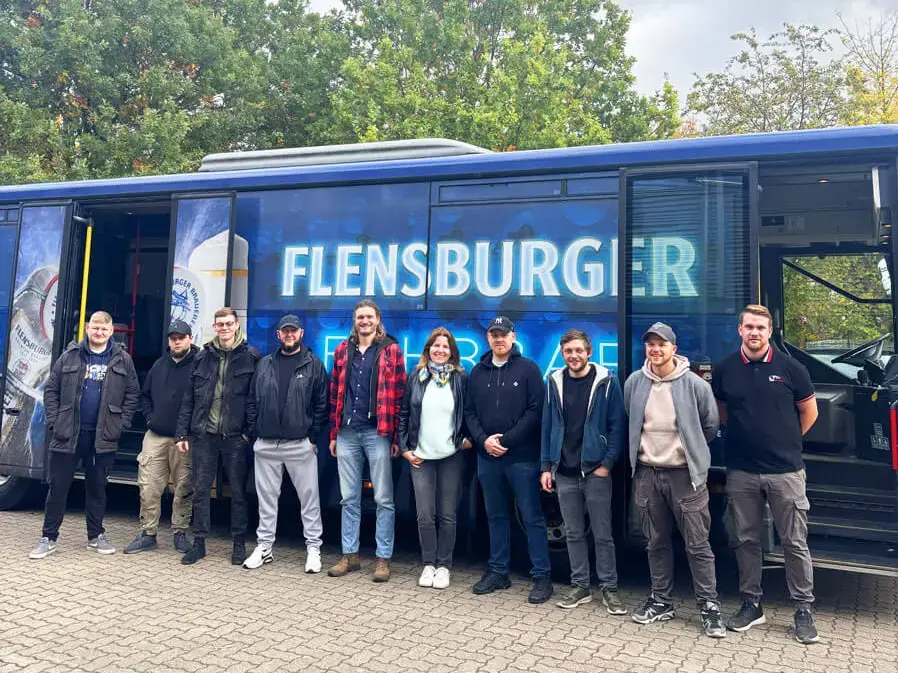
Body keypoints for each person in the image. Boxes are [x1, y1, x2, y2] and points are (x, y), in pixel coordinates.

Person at [712, 304, 820, 644]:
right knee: (745, 539)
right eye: (749, 327)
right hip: (742, 471)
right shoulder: (726, 369)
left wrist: (786, 441)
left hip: (786, 471)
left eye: (761, 327)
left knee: (794, 542)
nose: (754, 332)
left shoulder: (791, 368)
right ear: (740, 330)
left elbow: (810, 412)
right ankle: (751, 603)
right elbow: (722, 411)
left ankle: (802, 609)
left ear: (769, 331)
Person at [624, 323, 724, 638]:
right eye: (650, 344)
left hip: (685, 476)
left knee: (698, 545)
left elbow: (710, 426)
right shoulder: (634, 382)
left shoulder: (695, 385)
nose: (655, 350)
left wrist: (688, 452)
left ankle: (709, 607)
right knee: (655, 543)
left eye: (662, 344)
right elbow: (631, 419)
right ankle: (661, 601)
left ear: (674, 349)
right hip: (647, 474)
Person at [29, 311, 139, 559]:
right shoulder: (69, 356)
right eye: (95, 328)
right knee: (58, 488)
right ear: (87, 329)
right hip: (68, 434)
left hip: (103, 437)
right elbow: (51, 390)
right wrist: (55, 422)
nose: (99, 332)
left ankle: (95, 536)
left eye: (104, 329)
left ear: (111, 331)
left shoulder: (123, 360)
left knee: (97, 489)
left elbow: (132, 394)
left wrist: (121, 424)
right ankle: (48, 538)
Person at [465, 316, 553, 604]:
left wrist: (506, 441)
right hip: (488, 458)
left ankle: (542, 576)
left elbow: (535, 411)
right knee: (496, 516)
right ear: (488, 338)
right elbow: (469, 413)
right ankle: (498, 571)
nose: (499, 338)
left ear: (513, 336)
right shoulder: (477, 372)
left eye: (504, 334)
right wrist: (483, 440)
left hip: (522, 459)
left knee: (532, 517)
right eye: (494, 334)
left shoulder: (528, 369)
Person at [540, 329, 627, 615]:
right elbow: (547, 426)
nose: (573, 356)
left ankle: (609, 588)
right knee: (573, 533)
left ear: (589, 352)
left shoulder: (607, 381)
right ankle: (580, 586)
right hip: (564, 471)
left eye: (579, 350)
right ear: (563, 354)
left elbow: (617, 426)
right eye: (568, 351)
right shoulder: (554, 381)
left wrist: (607, 464)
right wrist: (546, 467)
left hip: (595, 470)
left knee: (602, 534)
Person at [327, 299, 407, 582]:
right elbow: (334, 394)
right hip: (347, 433)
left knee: (384, 499)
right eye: (360, 317)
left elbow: (399, 395)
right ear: (354, 320)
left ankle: (383, 559)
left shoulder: (391, 350)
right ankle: (350, 556)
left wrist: (396, 436)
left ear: (377, 320)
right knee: (349, 498)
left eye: (369, 316)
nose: (364, 321)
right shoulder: (342, 350)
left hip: (378, 432)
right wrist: (333, 434)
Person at [243, 315, 329, 573]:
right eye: (285, 331)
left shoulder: (313, 364)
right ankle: (264, 547)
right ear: (278, 335)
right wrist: (254, 432)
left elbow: (322, 404)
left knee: (309, 499)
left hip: (299, 445)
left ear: (301, 333)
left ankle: (313, 548)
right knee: (266, 500)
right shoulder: (265, 364)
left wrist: (312, 438)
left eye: (293, 331)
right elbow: (252, 400)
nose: (289, 335)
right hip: (266, 444)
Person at [175, 307, 260, 566]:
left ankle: (238, 543)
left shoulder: (251, 356)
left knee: (238, 492)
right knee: (201, 491)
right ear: (214, 327)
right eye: (220, 324)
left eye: (228, 323)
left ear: (236, 326)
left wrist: (249, 432)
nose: (224, 328)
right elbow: (189, 397)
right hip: (204, 435)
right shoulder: (202, 357)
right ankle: (199, 543)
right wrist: (182, 432)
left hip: (235, 437)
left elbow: (256, 398)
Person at [398, 327, 470, 590]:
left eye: (445, 346)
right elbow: (404, 414)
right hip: (421, 457)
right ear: (428, 350)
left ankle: (444, 566)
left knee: (447, 514)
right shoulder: (416, 377)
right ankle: (428, 564)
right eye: (436, 346)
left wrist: (467, 440)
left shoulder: (460, 379)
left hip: (451, 456)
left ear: (452, 352)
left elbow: (469, 412)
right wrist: (404, 447)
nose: (440, 350)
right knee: (425, 515)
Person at [124, 320, 199, 555]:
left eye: (181, 338)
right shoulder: (159, 365)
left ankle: (180, 533)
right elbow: (144, 396)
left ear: (190, 339)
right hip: (155, 436)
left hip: (185, 439)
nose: (177, 342)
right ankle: (148, 534)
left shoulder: (200, 365)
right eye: (173, 338)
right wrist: (150, 419)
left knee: (184, 488)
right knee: (148, 487)